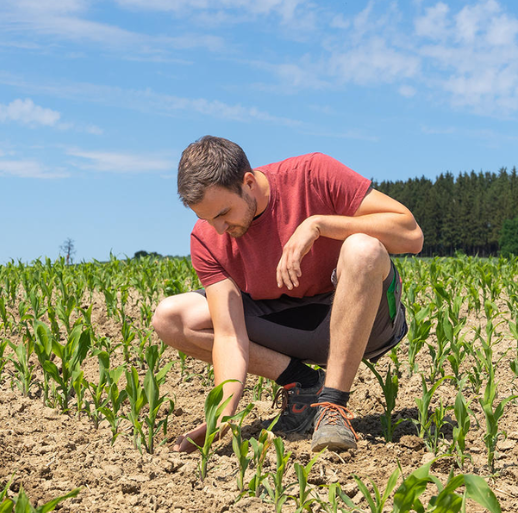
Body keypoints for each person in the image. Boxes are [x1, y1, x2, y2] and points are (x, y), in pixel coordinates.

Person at [152, 136, 423, 453]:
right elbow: (228, 335)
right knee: (171, 317)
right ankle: (304, 383)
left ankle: (333, 407)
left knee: (363, 249)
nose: (219, 228)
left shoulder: (312, 174)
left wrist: (319, 225)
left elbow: (411, 235)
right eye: (207, 218)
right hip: (291, 328)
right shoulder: (208, 239)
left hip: (367, 321)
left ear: (248, 182)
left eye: (224, 212)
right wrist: (221, 416)